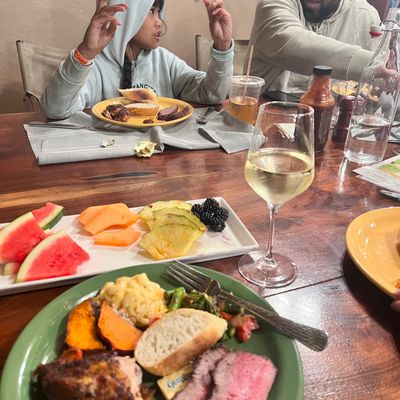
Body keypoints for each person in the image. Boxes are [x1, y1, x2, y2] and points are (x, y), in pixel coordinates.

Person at [41, 0, 233, 119]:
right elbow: (55, 110)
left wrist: (222, 46)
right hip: (107, 161)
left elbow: (212, 94)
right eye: (151, 11)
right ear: (126, 15)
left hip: (160, 161)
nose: (159, 22)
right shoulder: (92, 64)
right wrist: (85, 52)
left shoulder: (164, 60)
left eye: (159, 12)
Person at [246, 0, 381, 93]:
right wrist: (375, 65)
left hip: (332, 120)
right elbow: (292, 43)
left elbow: (376, 93)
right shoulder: (273, 4)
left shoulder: (365, 16)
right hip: (266, 114)